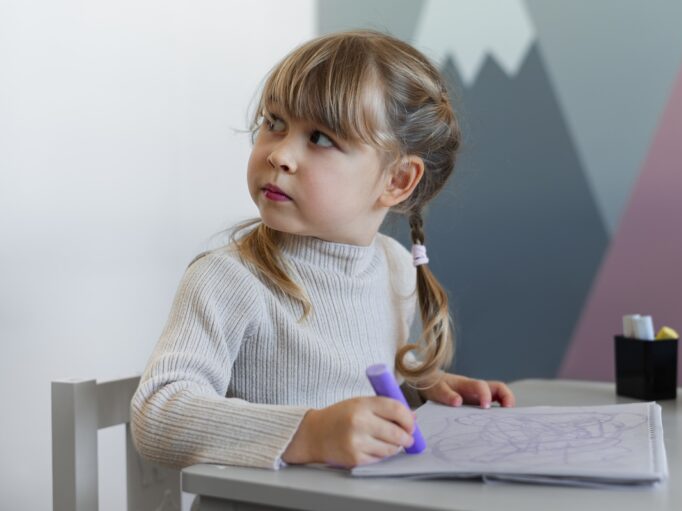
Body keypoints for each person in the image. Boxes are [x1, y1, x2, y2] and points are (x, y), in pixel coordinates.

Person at [131, 29, 515, 470]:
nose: (280, 155)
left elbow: (353, 386)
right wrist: (310, 432)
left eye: (320, 138)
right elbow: (157, 415)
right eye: (274, 123)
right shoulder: (227, 278)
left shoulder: (393, 268)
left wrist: (422, 388)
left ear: (397, 181)